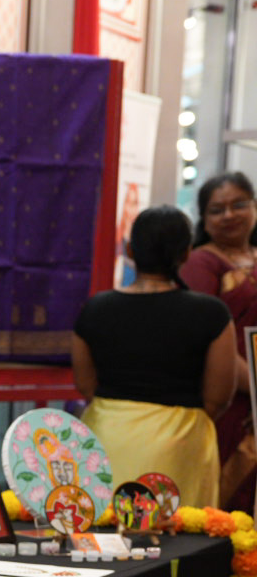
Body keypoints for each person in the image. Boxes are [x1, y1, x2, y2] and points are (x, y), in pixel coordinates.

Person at [71, 205, 236, 509]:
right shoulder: (211, 314)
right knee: (175, 540)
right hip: (179, 440)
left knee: (99, 535)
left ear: (131, 251)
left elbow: (85, 384)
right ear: (186, 253)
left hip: (105, 434)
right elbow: (219, 397)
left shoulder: (95, 308)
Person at [181, 173, 257, 511]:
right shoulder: (202, 262)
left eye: (239, 204)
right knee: (226, 508)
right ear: (205, 221)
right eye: (217, 209)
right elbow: (201, 336)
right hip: (229, 400)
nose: (229, 215)